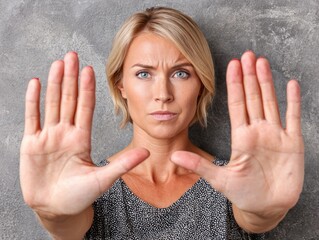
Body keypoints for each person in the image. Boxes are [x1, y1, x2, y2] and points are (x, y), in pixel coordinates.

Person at [20, 7, 304, 240]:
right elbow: (67, 223)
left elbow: (255, 215)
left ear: (201, 85)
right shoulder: (86, 188)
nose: (163, 95)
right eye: (144, 74)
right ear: (121, 85)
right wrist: (53, 214)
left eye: (181, 73)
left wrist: (265, 213)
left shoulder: (237, 184)